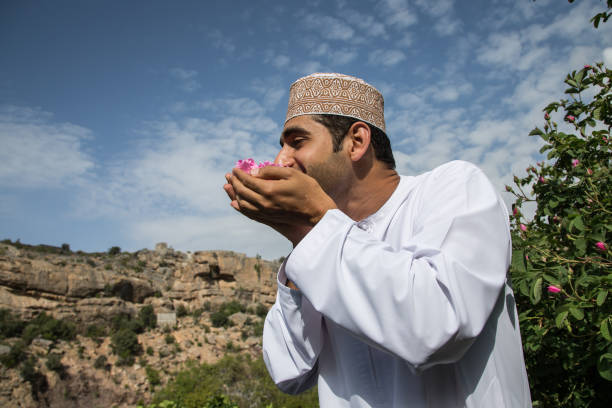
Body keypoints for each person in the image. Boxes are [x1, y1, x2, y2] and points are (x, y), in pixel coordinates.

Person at [224, 73, 532, 407]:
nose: (281, 160)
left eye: (297, 142)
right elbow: (289, 371)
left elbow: (439, 326)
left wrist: (314, 226)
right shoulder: (319, 240)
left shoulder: (455, 188)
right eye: (281, 146)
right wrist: (303, 238)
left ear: (356, 142)